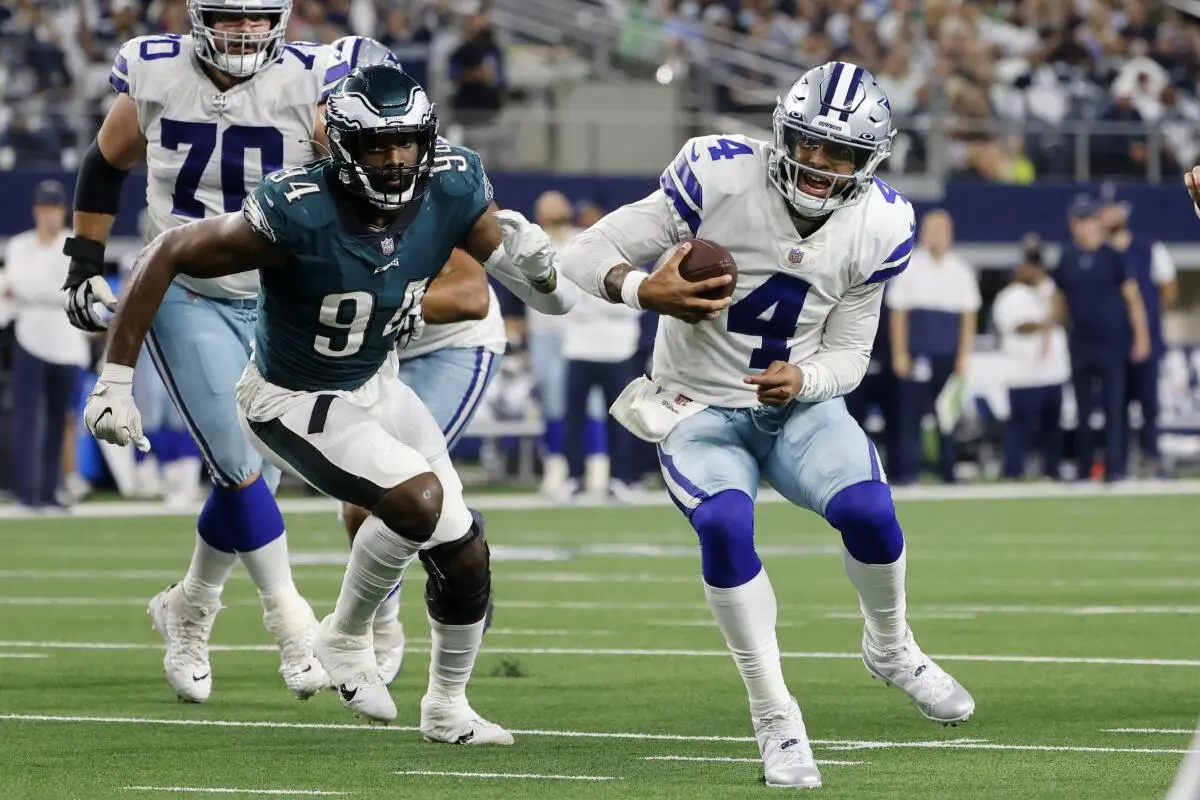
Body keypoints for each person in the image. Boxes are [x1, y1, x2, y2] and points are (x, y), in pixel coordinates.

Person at [83, 64, 576, 736]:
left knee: (465, 553)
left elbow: (553, 303)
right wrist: (114, 378)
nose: (396, 159)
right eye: (378, 145)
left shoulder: (453, 181)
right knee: (417, 500)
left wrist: (543, 273)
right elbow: (166, 251)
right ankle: (344, 633)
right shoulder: (298, 208)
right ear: (343, 146)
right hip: (290, 398)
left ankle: (447, 706)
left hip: (377, 384)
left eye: (407, 142)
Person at [561, 61, 974, 790]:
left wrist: (804, 379)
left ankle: (891, 646)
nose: (818, 162)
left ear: (870, 160)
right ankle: (775, 714)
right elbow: (584, 251)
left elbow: (850, 354)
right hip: (696, 404)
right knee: (725, 526)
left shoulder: (882, 223)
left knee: (871, 512)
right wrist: (642, 290)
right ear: (783, 132)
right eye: (809, 142)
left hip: (796, 406)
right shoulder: (717, 175)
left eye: (840, 151)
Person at [60, 0, 342, 703]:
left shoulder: (311, 81)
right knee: (238, 462)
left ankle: (188, 608)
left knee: (250, 472)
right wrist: (84, 261)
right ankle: (292, 625)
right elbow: (104, 163)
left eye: (257, 18)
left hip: (278, 300)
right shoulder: (156, 69)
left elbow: (348, 186)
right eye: (228, 16)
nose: (243, 30)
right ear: (197, 16)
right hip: (184, 289)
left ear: (279, 20)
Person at [329, 34, 507, 685]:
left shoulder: (431, 178)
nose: (391, 151)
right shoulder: (308, 185)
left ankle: (402, 608)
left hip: (448, 346)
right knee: (360, 495)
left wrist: (385, 299)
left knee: (394, 489)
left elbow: (471, 294)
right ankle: (388, 614)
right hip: (373, 358)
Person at [4, 180, 91, 512]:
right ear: (36, 211)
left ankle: (49, 491)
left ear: (62, 211)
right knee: (26, 419)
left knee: (60, 419)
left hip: (66, 344)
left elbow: (71, 289)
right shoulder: (19, 245)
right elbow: (17, 284)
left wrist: (25, 289)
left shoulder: (75, 245)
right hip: (30, 340)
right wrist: (41, 289)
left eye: (54, 208)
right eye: (44, 208)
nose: (50, 215)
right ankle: (26, 494)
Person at [1051, 194, 1150, 482]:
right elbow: (1059, 300)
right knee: (1082, 410)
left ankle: (1115, 468)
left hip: (1111, 342)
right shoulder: (1067, 257)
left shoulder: (1112, 256)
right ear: (1073, 224)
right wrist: (1051, 332)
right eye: (1079, 220)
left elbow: (1132, 298)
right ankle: (1085, 469)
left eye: (1089, 219)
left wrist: (1141, 337)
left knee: (1113, 407)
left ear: (1097, 222)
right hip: (1080, 342)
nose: (1084, 226)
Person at [885, 209, 980, 484]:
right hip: (917, 352)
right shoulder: (909, 266)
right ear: (923, 234)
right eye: (932, 231)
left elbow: (969, 316)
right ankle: (910, 471)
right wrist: (899, 353)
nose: (936, 237)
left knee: (946, 415)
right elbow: (898, 314)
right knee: (910, 414)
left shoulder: (961, 270)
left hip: (948, 353)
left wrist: (964, 355)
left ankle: (948, 470)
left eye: (942, 231)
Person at [1101, 200, 1177, 476]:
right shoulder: (1101, 252)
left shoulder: (1149, 248)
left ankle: (1152, 457)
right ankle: (1118, 463)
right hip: (1113, 340)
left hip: (1147, 339)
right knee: (1116, 404)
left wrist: (1150, 318)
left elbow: (1168, 289)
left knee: (1149, 404)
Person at [991, 235, 1069, 480]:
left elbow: (1062, 313)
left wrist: (1050, 291)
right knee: (1021, 428)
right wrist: (1046, 323)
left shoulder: (1051, 290)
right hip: (1023, 375)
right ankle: (1013, 471)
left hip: (1053, 372)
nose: (1033, 269)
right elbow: (1018, 325)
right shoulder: (1009, 296)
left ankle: (1052, 471)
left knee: (1053, 428)